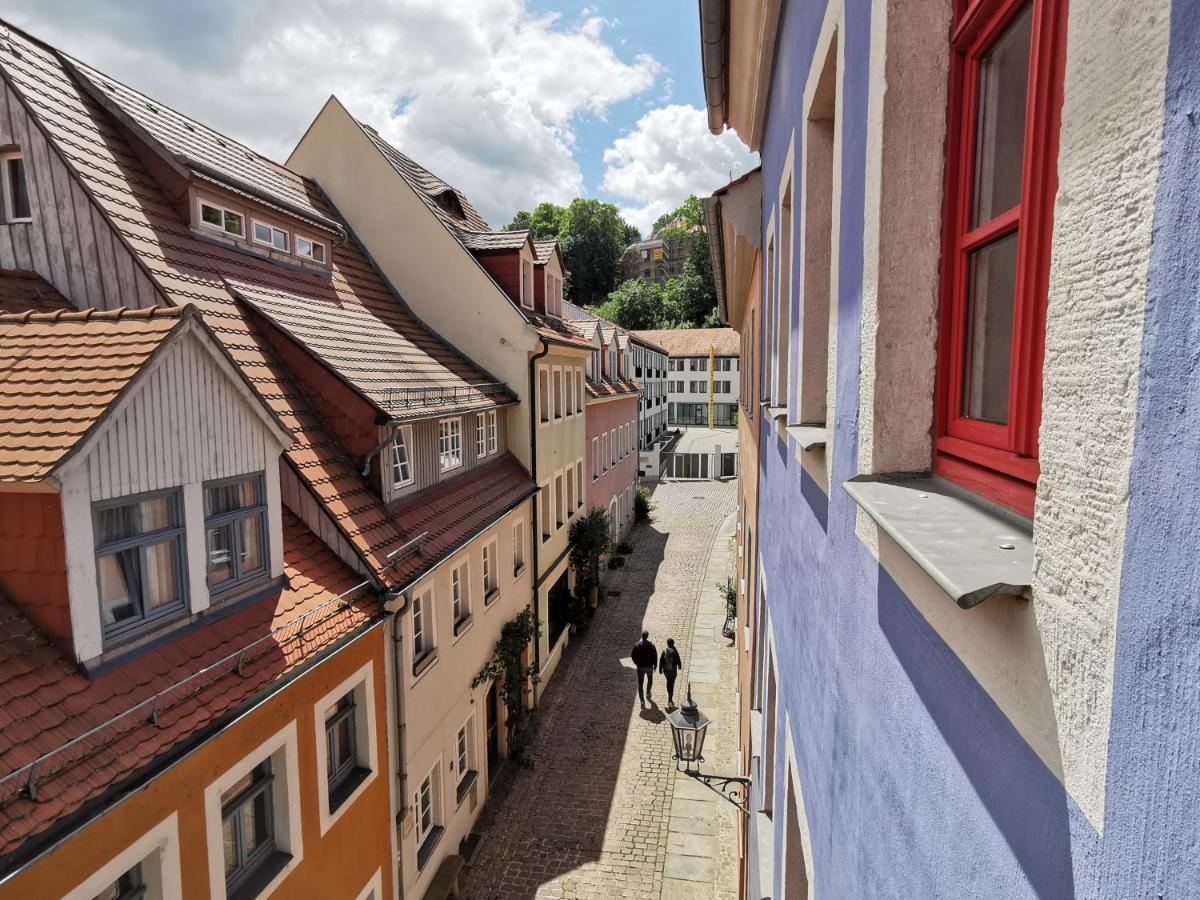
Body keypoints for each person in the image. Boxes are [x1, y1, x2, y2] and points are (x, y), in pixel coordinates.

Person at [631, 631, 658, 704]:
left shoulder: (637, 646)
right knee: (650, 680)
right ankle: (648, 693)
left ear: (641, 636)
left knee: (640, 684)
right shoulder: (652, 645)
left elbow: (633, 656)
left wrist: (637, 663)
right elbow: (655, 656)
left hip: (640, 668)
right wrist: (655, 666)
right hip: (649, 667)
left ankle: (642, 700)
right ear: (647, 636)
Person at [659, 639, 683, 707]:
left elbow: (661, 661)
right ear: (673, 644)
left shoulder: (664, 651)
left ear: (667, 644)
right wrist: (679, 666)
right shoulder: (675, 652)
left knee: (668, 681)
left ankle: (669, 694)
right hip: (673, 671)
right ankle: (670, 699)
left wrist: (660, 669)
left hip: (666, 671)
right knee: (671, 684)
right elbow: (678, 660)